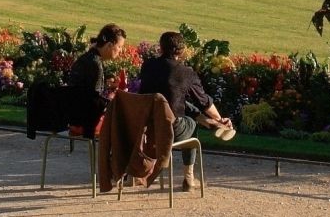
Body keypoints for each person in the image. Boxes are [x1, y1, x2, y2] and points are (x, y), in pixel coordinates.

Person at [136, 31, 236, 193]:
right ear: (181, 51)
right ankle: (188, 178)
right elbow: (204, 101)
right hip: (169, 129)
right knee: (191, 124)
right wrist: (219, 117)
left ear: (161, 48)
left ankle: (211, 122)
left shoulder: (148, 66)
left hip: (146, 126)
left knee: (180, 104)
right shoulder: (185, 73)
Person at [66, 24, 128, 135]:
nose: (120, 51)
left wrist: (109, 87)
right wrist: (114, 95)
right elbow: (95, 103)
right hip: (85, 122)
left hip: (72, 116)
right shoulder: (96, 64)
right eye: (119, 47)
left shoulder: (85, 58)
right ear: (109, 45)